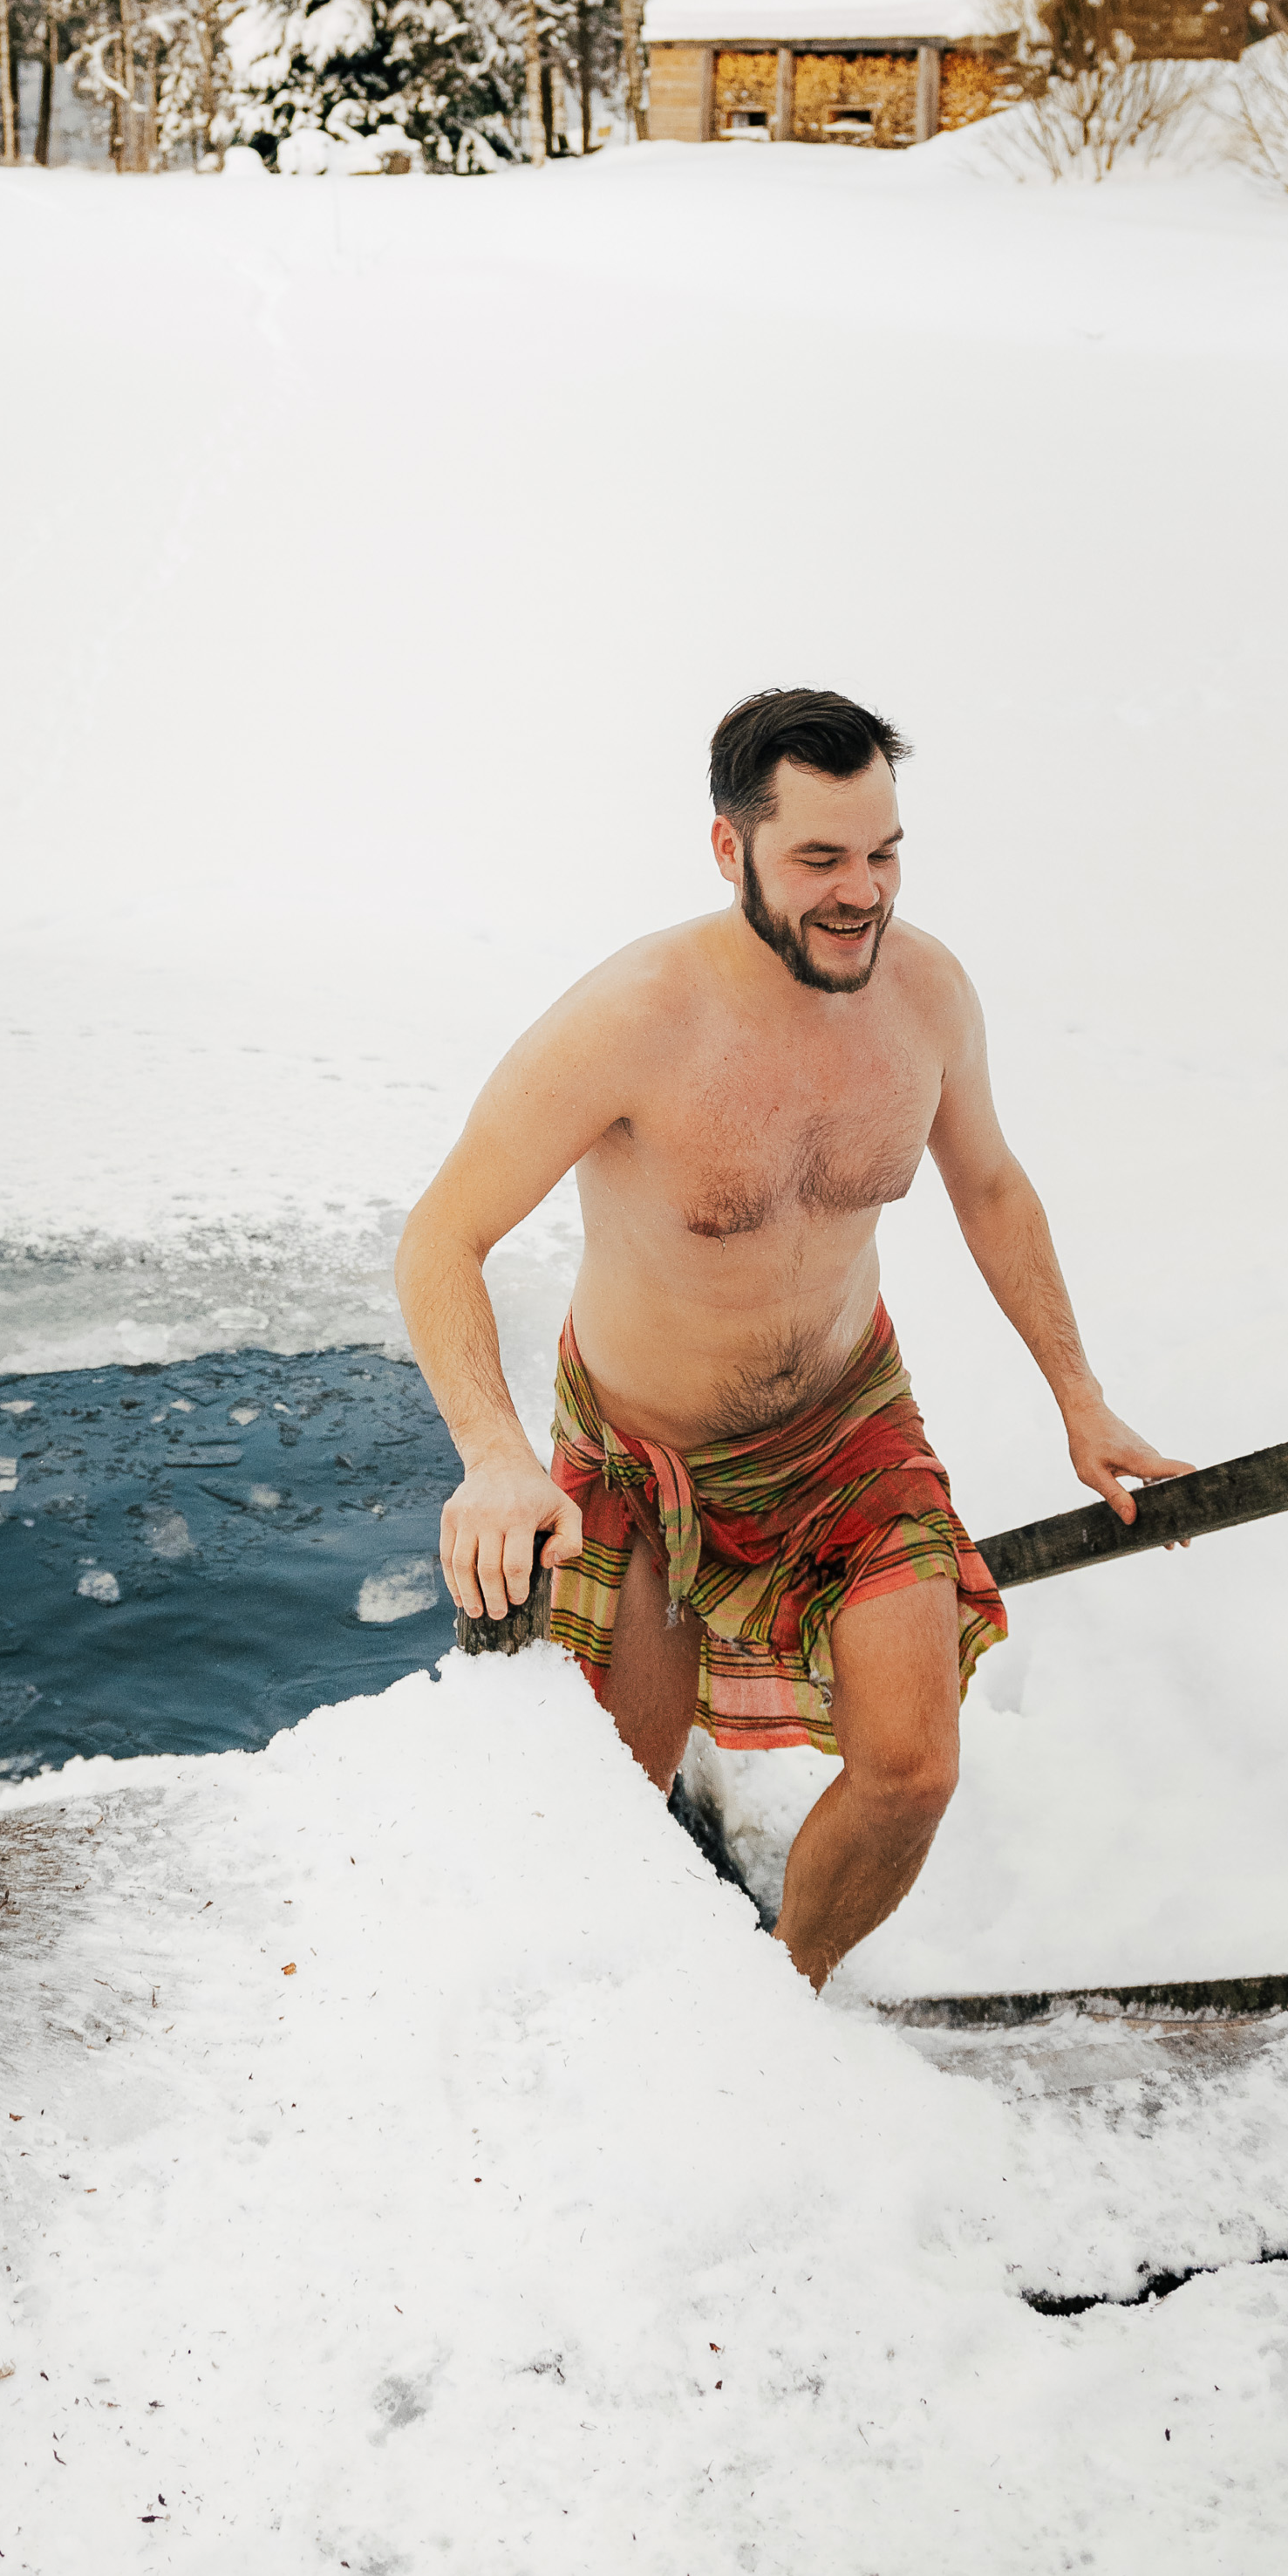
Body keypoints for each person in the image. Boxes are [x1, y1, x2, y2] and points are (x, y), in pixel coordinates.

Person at [393, 687, 1191, 1989]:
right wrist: (492, 1454)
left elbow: (988, 1184)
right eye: (818, 858)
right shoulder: (632, 1018)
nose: (858, 892)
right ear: (730, 849)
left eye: (881, 853)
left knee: (911, 1773)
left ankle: (779, 1995)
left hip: (844, 1431)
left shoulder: (925, 994)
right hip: (644, 1448)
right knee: (612, 1795)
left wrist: (1078, 1394)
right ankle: (602, 2025)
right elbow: (440, 1238)